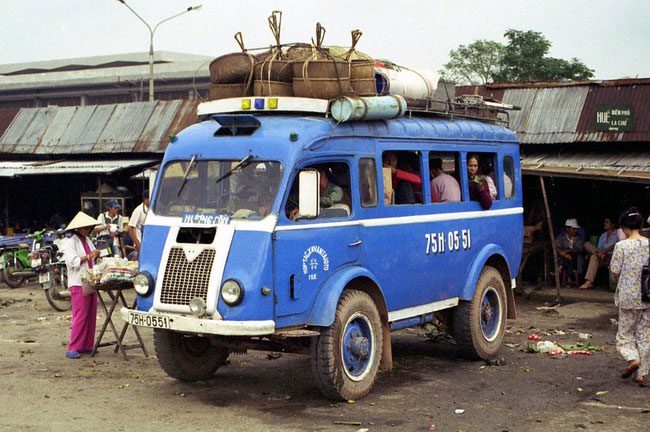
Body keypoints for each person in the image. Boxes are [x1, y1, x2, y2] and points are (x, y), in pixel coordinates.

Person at [609, 207, 649, 387]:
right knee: (644, 334)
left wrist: (623, 281)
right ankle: (641, 375)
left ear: (624, 228)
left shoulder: (621, 246)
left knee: (625, 333)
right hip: (647, 296)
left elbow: (615, 271)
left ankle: (632, 359)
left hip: (627, 296)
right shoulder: (649, 244)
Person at [62, 212, 101, 359]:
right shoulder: (70, 242)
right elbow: (72, 262)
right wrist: (90, 256)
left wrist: (95, 256)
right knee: (80, 315)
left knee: (91, 314)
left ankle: (86, 346)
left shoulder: (87, 240)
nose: (87, 229)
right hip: (78, 282)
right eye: (85, 227)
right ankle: (74, 347)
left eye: (88, 227)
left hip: (89, 280)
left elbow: (91, 258)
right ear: (78, 228)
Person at [579, 217, 620, 289]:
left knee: (598, 255)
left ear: (612, 224)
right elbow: (598, 250)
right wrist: (598, 253)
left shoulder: (618, 233)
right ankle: (588, 283)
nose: (605, 224)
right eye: (604, 222)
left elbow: (618, 245)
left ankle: (601, 255)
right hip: (602, 257)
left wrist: (605, 251)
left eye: (607, 222)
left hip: (612, 257)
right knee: (588, 247)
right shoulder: (603, 235)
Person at [555, 218, 584, 287]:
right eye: (573, 229)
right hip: (566, 259)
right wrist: (563, 253)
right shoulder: (561, 237)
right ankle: (568, 277)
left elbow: (578, 248)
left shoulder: (578, 238)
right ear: (568, 229)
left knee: (569, 254)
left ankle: (560, 268)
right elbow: (556, 246)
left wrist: (568, 251)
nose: (575, 230)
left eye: (576, 229)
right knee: (566, 257)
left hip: (576, 260)